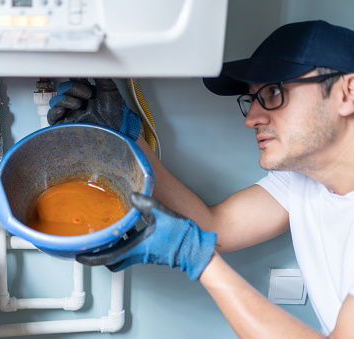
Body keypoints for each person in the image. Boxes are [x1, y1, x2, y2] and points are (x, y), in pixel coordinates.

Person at [47, 20, 354, 338]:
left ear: (347, 92)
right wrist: (127, 140)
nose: (251, 119)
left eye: (274, 92)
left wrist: (201, 261)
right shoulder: (303, 180)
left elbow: (204, 244)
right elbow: (215, 229)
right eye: (252, 99)